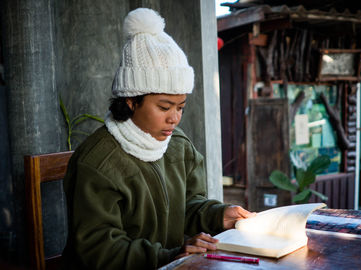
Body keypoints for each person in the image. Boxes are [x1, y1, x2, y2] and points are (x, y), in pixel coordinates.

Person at [62, 8, 254, 269]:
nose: (174, 118)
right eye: (164, 107)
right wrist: (168, 256)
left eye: (181, 107)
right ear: (131, 101)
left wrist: (218, 215)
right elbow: (99, 249)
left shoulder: (178, 146)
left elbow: (188, 205)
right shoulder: (97, 163)